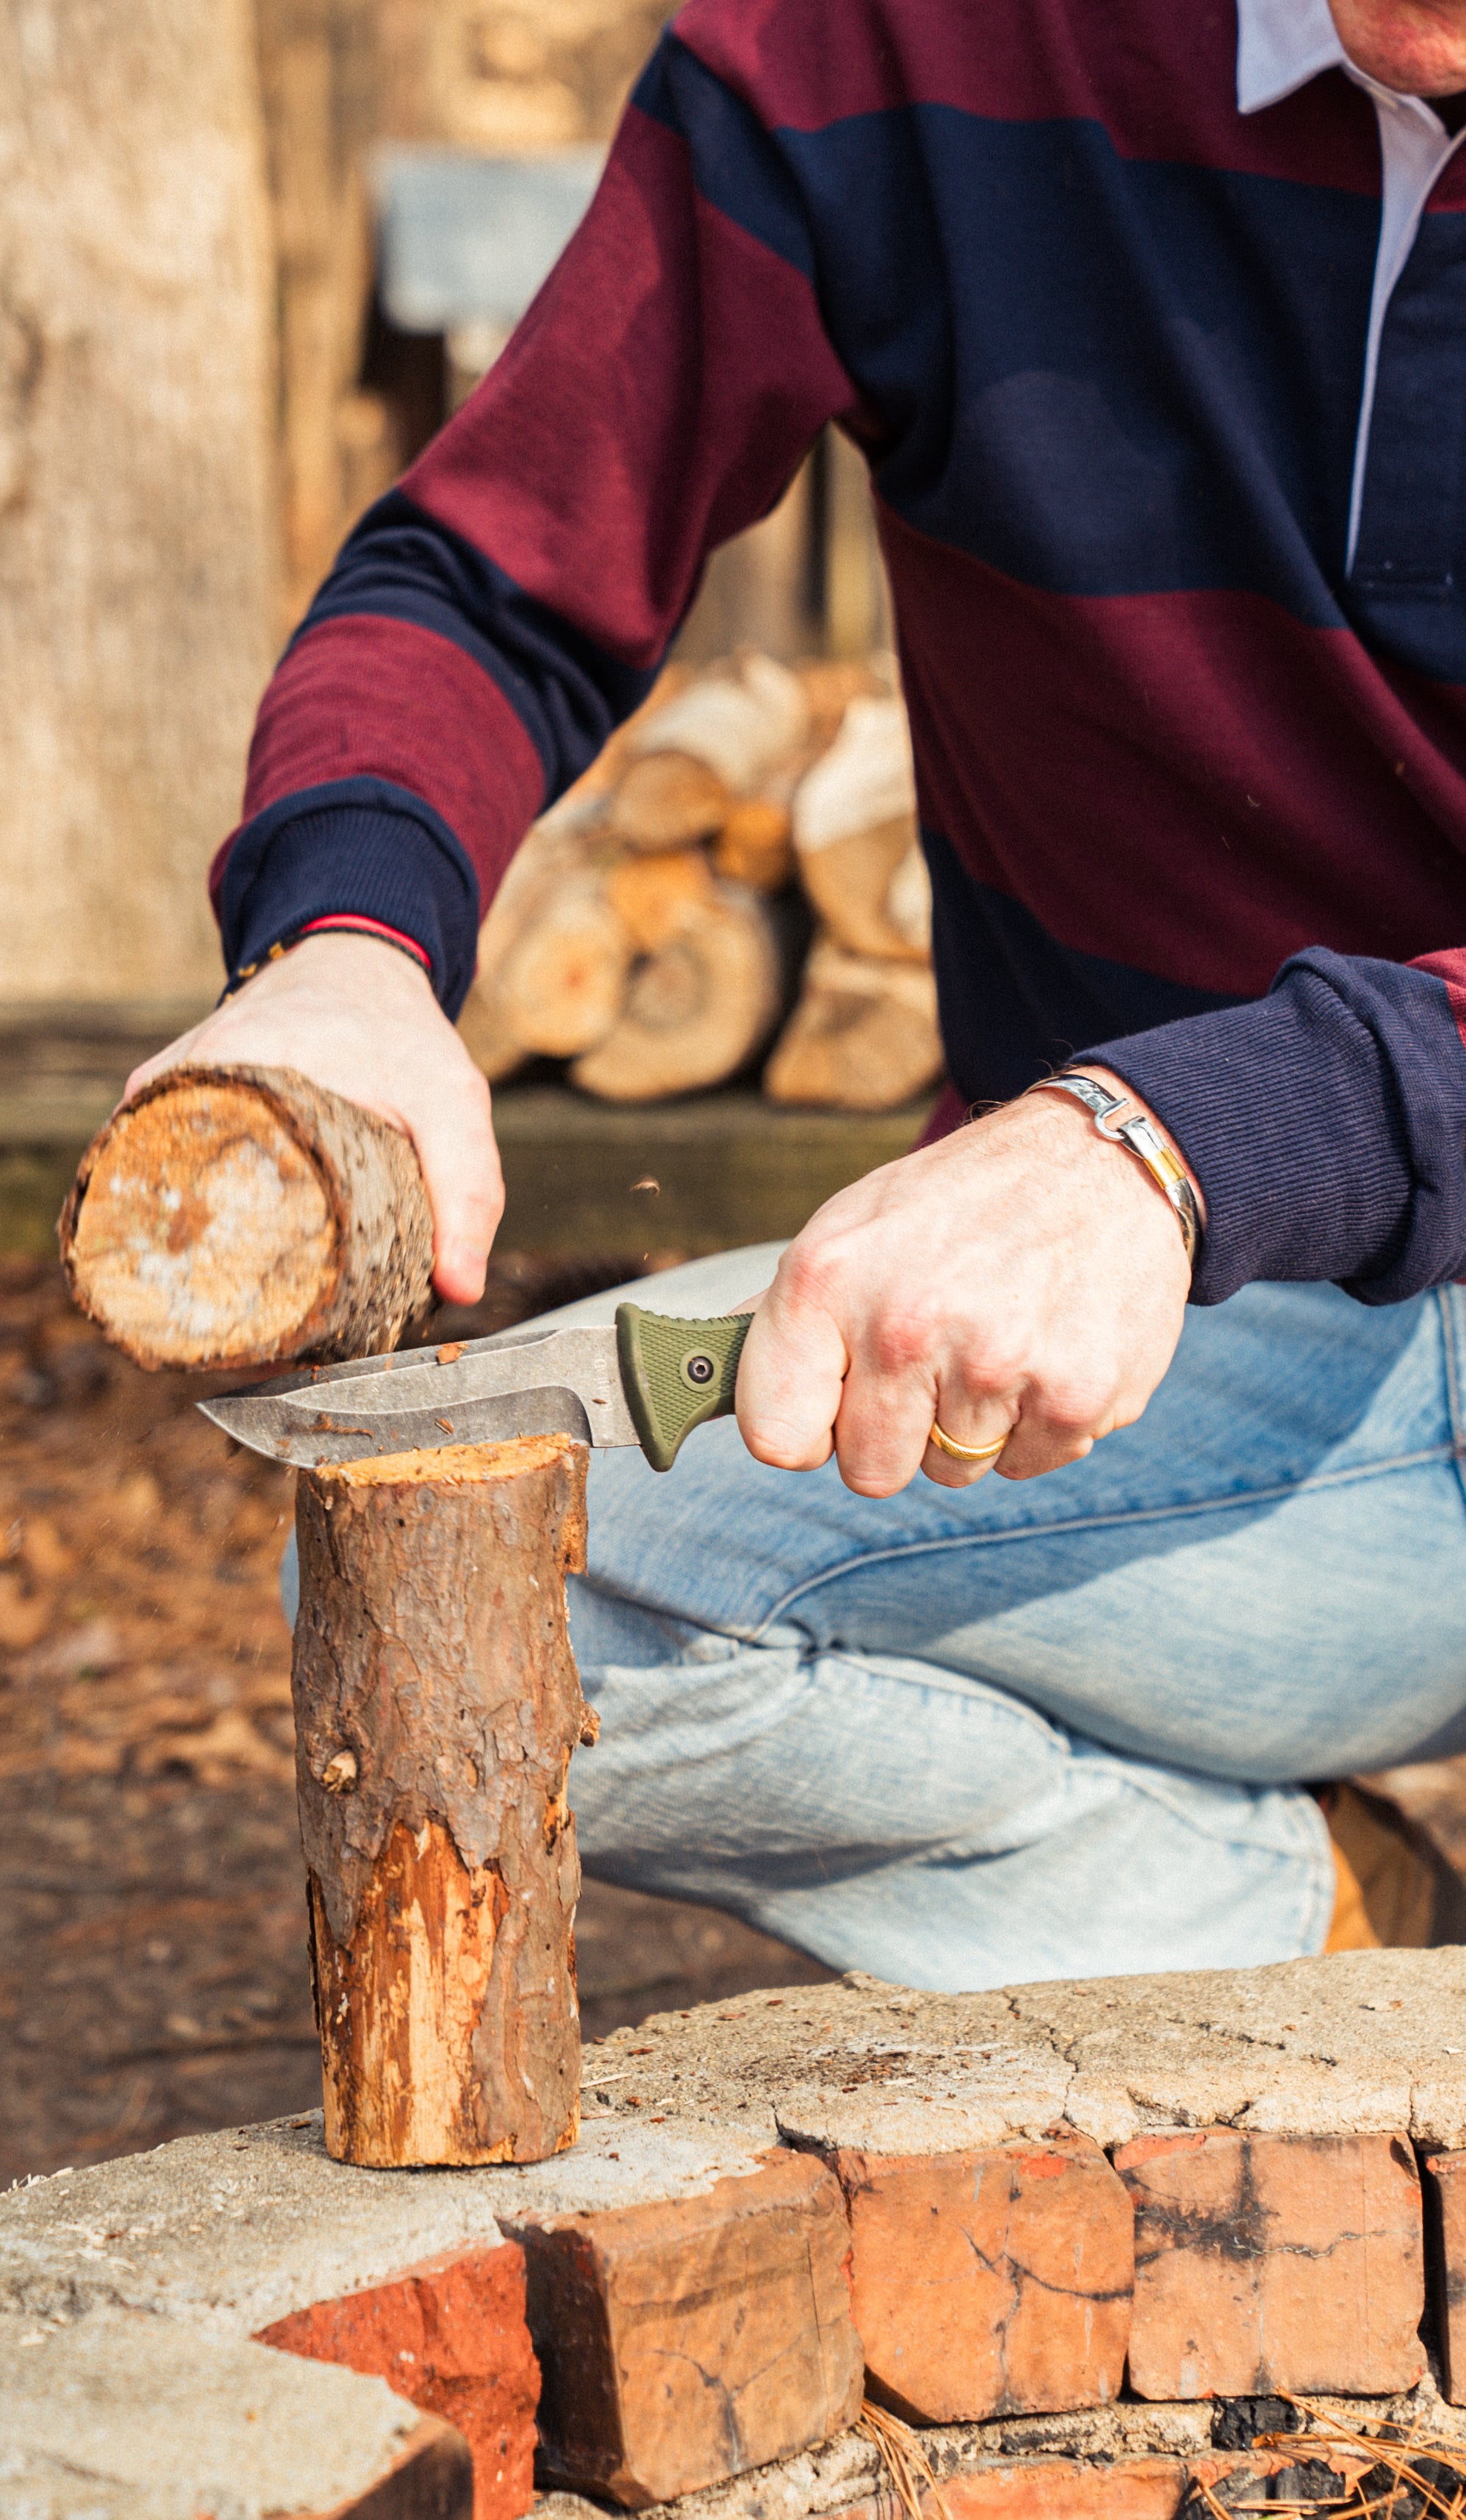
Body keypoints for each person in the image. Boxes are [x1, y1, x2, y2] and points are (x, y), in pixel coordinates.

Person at [131, 0, 1466, 1990]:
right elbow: (494, 574)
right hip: (1209, 1349)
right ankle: (1310, 1951)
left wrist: (1179, 1139)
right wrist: (341, 946)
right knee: (494, 1590)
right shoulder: (899, 42)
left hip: (1250, 1224)